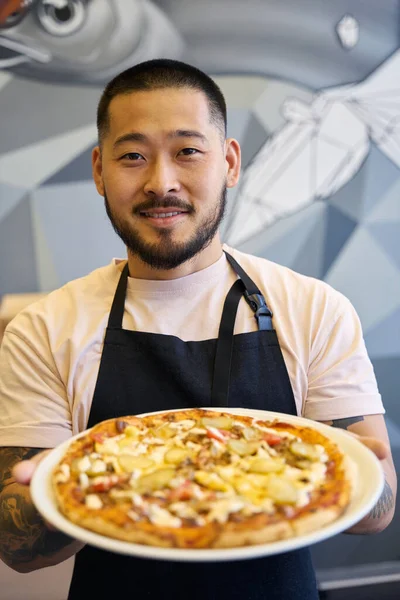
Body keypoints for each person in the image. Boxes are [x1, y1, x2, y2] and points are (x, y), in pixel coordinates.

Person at [0, 59, 396, 600]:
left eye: (188, 151)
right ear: (99, 170)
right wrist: (68, 484)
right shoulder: (43, 330)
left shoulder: (314, 308)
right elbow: (16, 547)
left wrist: (357, 476)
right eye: (133, 156)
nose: (161, 182)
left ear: (230, 162)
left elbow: (379, 511)